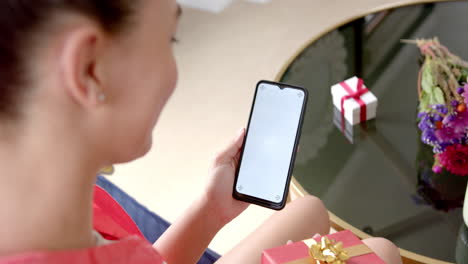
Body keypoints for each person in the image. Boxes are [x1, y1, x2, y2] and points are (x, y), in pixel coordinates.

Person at [0, 0, 403, 263]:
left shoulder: (54, 201)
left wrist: (211, 211)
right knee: (382, 252)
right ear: (91, 68)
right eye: (169, 38)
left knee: (309, 209)